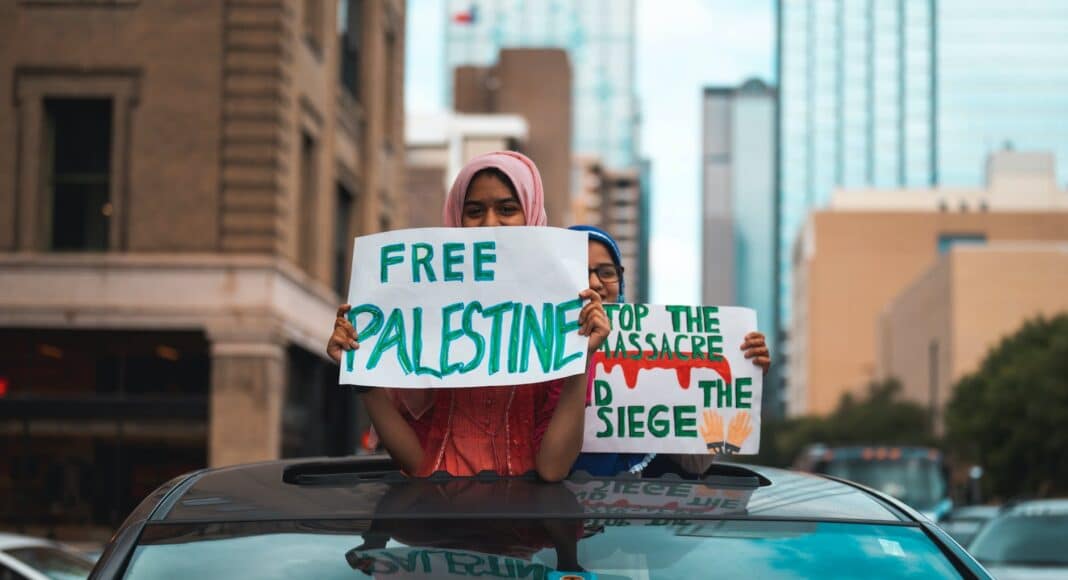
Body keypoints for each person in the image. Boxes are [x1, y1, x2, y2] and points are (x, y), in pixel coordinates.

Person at [326, 151, 610, 482]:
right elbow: (416, 464)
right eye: (474, 211)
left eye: (507, 209)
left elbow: (553, 469)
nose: (490, 223)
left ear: (531, 214)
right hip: (439, 518)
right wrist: (364, 378)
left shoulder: (561, 321)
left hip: (528, 525)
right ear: (456, 218)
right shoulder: (427, 314)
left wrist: (579, 360)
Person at [566, 224, 772, 476]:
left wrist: (742, 371)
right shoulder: (535, 361)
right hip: (553, 510)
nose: (595, 283)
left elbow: (695, 464)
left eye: (606, 272)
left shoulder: (652, 350)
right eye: (578, 272)